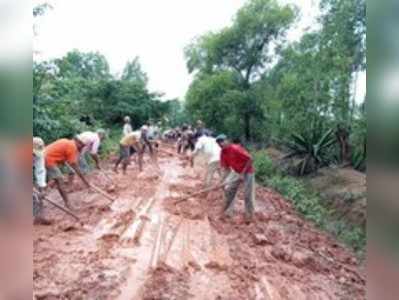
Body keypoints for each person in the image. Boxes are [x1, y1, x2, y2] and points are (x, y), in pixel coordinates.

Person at [216, 134, 256, 221]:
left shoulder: (235, 149)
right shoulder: (223, 153)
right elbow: (226, 169)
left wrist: (242, 173)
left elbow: (250, 159)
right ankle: (225, 213)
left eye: (222, 141)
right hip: (237, 172)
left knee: (247, 195)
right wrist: (220, 181)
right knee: (228, 190)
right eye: (219, 143)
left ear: (227, 141)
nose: (221, 144)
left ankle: (250, 216)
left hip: (248, 172)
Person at [44, 137, 91, 210]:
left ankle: (47, 189)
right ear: (78, 142)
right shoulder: (72, 147)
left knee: (68, 173)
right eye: (82, 146)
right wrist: (85, 181)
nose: (81, 149)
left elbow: (62, 157)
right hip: (48, 159)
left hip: (48, 157)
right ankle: (68, 204)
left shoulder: (67, 142)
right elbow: (75, 166)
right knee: (60, 180)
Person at [33, 137, 51, 225]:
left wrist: (42, 188)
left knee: (37, 195)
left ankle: (39, 217)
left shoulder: (39, 155)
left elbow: (40, 171)